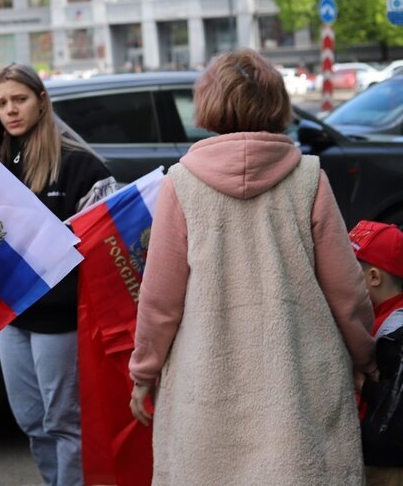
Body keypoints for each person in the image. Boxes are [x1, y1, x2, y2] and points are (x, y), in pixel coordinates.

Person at [128, 49, 376, 484]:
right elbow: (346, 288)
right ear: (276, 103)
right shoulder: (308, 177)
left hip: (206, 381)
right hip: (298, 380)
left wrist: (143, 372)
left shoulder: (181, 183)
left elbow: (160, 299)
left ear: (208, 104)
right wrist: (365, 358)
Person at [0, 63, 116, 486]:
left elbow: (107, 244)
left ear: (41, 100)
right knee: (31, 421)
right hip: (12, 314)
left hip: (59, 315)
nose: (10, 110)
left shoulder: (79, 165)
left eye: (19, 99)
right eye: (1, 103)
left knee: (63, 421)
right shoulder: (2, 158)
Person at [351, 220, 403, 484]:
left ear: (373, 277)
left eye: (350, 271)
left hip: (388, 464)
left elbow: (397, 406)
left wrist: (365, 387)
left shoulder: (396, 332)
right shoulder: (380, 317)